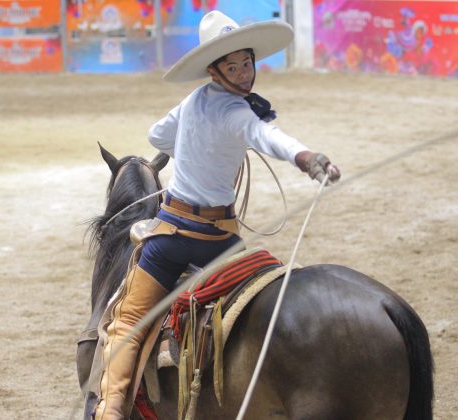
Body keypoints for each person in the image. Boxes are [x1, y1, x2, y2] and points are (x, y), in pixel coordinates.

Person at [92, 10, 340, 419]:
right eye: (234, 66)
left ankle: (111, 410)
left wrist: (192, 140)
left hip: (172, 236)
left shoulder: (195, 103)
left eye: (247, 64)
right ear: (215, 69)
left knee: (126, 323)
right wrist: (305, 157)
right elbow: (266, 135)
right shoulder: (237, 112)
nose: (244, 74)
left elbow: (158, 136)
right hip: (222, 242)